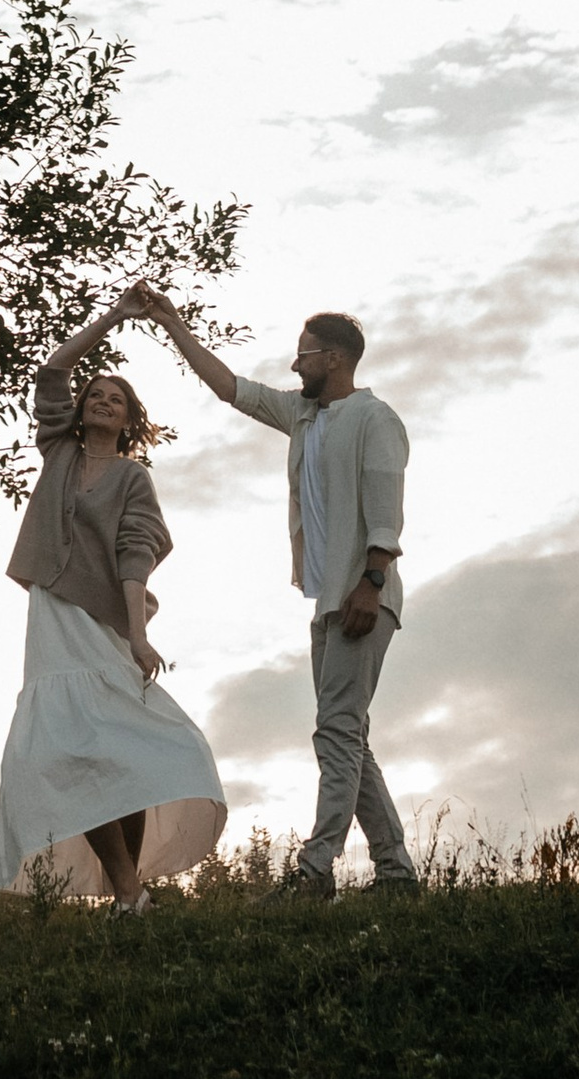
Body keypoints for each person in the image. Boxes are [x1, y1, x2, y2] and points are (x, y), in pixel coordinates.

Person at [128, 284, 417, 901]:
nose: (295, 364)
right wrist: (171, 321)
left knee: (337, 731)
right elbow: (228, 387)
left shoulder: (375, 420)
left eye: (304, 354)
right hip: (331, 598)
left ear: (334, 359)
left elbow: (387, 516)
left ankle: (315, 871)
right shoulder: (304, 416)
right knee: (346, 735)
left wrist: (370, 584)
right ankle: (395, 874)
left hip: (363, 597)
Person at [0, 295, 229, 910]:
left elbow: (134, 554)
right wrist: (115, 317)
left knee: (124, 750)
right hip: (52, 615)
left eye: (114, 400)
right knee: (69, 748)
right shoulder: (59, 453)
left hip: (106, 621)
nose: (100, 400)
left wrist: (138, 635)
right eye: (95, 394)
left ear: (128, 422)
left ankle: (128, 897)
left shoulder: (132, 477)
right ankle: (129, 893)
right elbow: (51, 373)